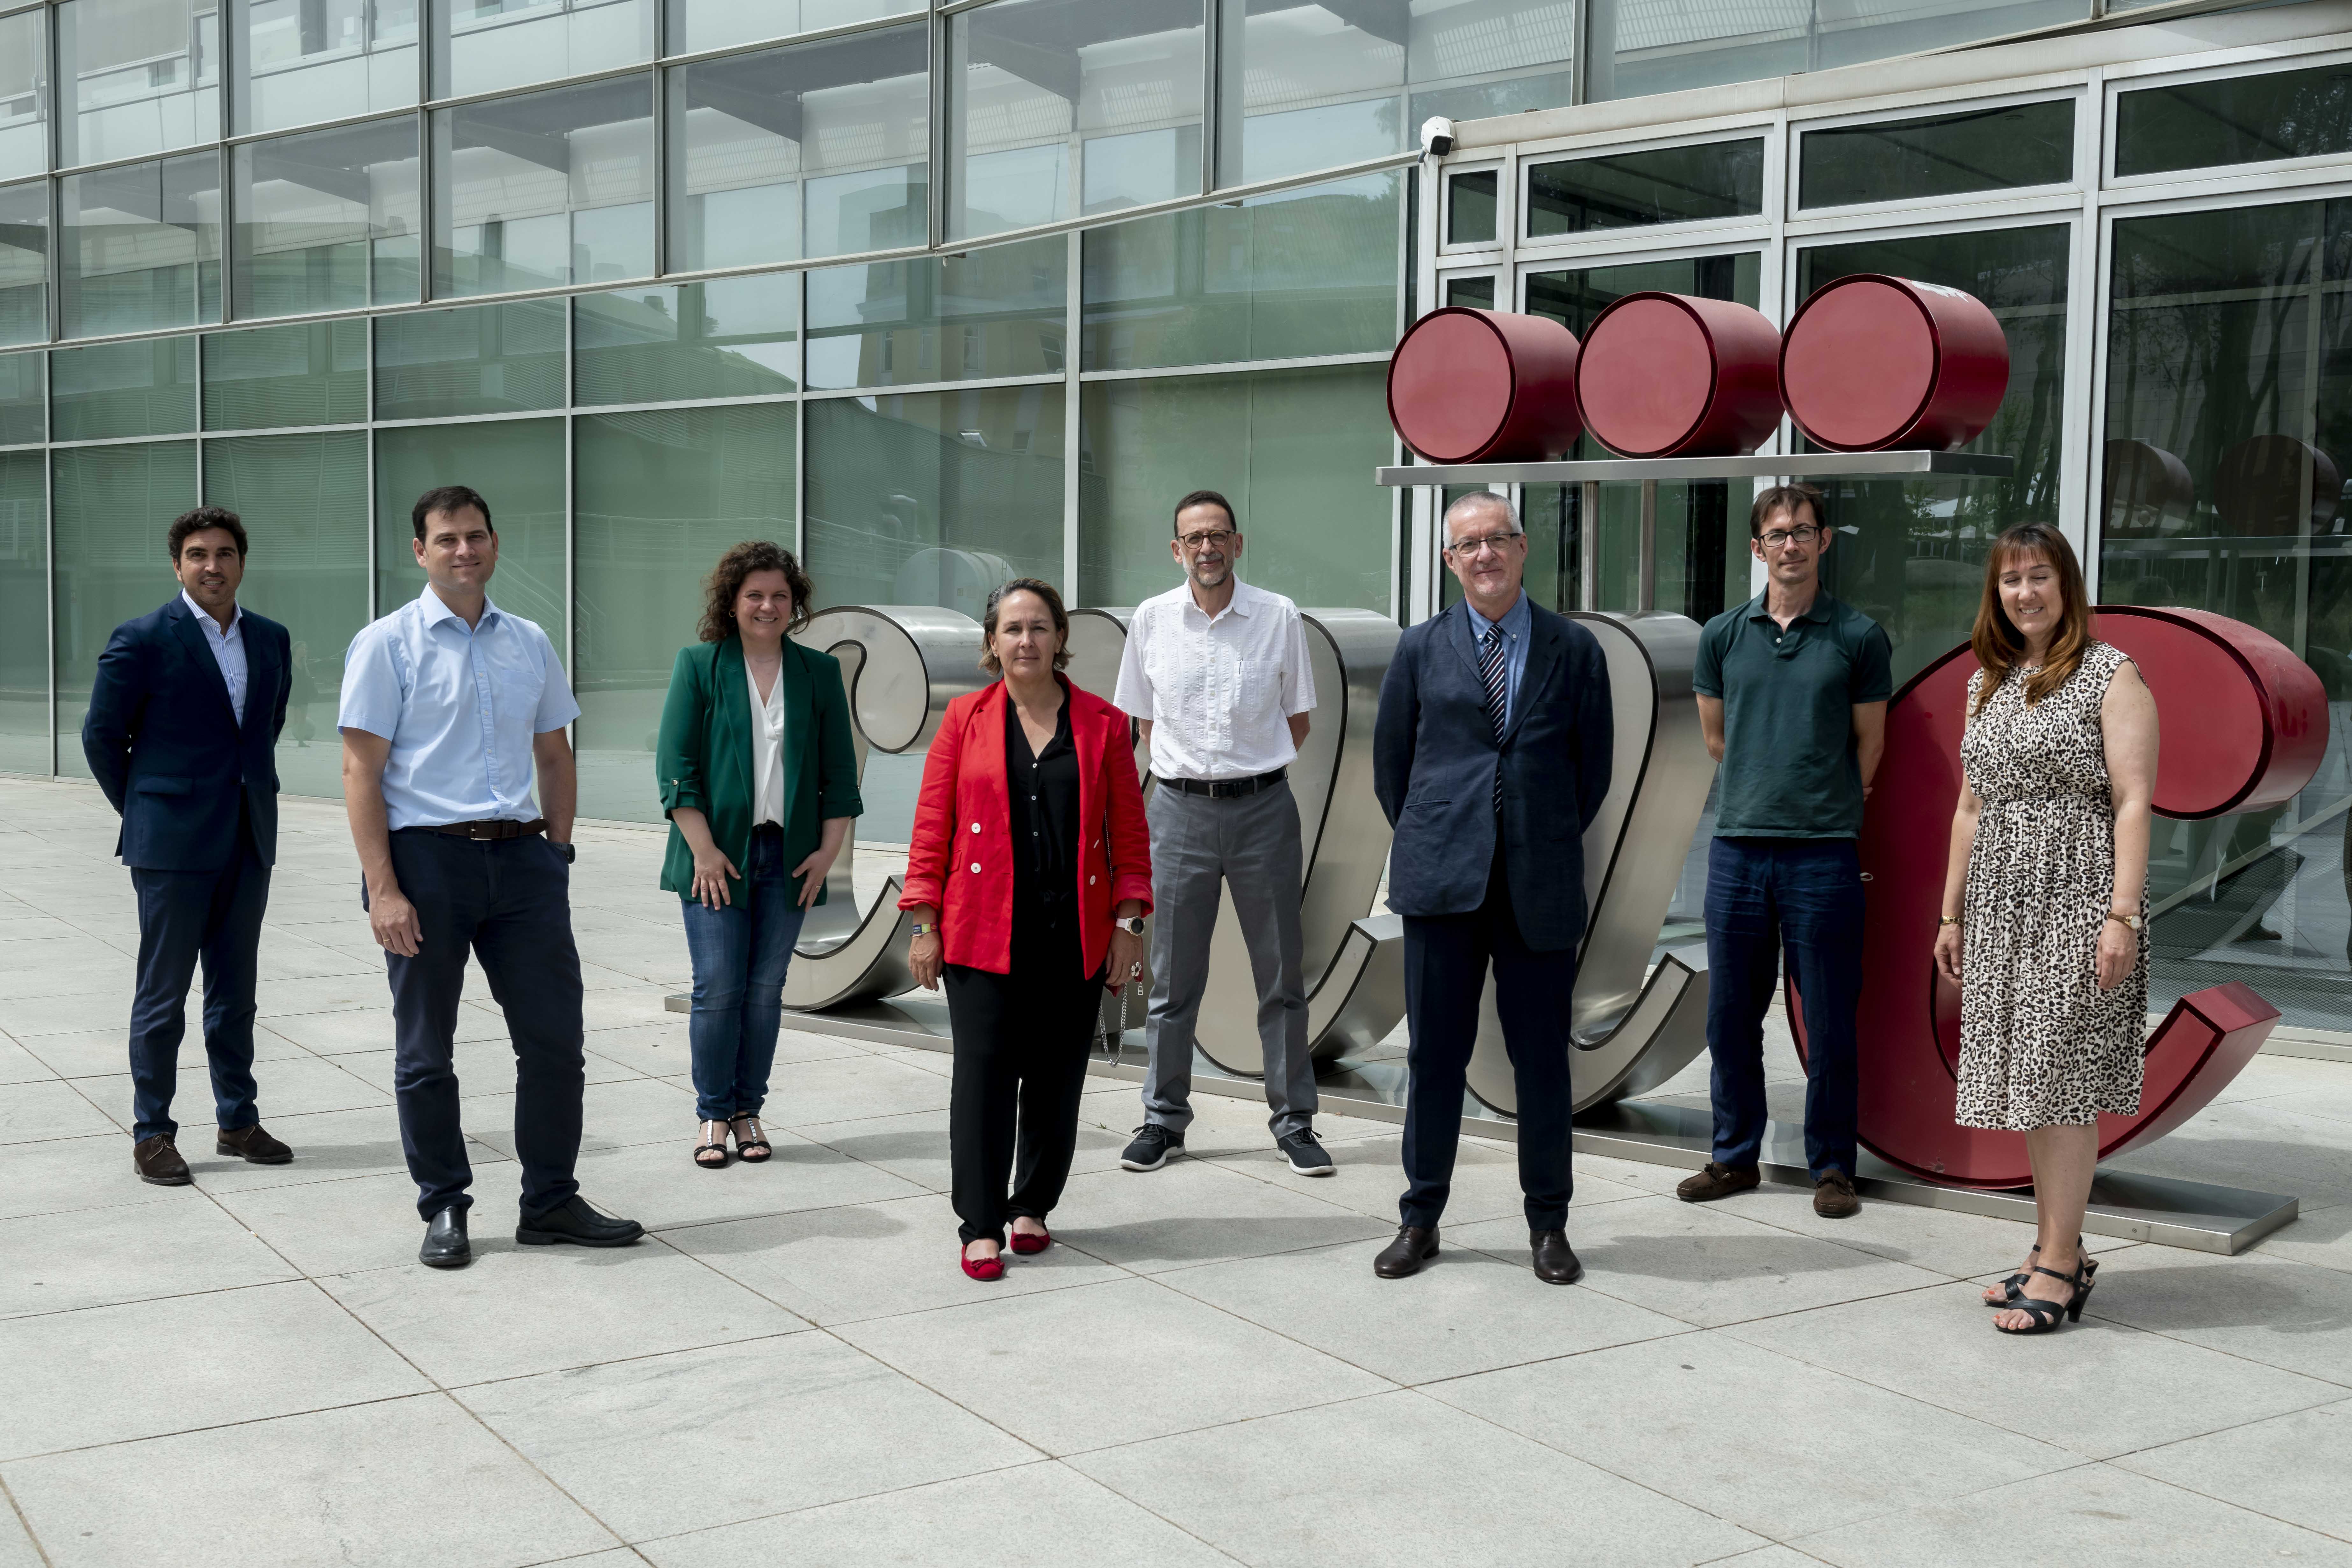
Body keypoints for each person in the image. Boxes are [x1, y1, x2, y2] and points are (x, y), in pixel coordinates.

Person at [338, 484, 642, 1269]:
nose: (463, 550)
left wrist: (559, 851)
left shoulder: (529, 641)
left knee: (555, 1043)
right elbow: (360, 771)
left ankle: (550, 1199)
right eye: (446, 539)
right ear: (420, 551)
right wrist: (383, 887)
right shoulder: (386, 644)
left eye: (476, 536)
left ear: (496, 544)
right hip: (426, 864)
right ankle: (444, 1204)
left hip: (523, 862)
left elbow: (554, 754)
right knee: (426, 1049)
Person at [1369, 492, 1612, 1284]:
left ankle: (1549, 1225)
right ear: (1450, 561)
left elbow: (1594, 769)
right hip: (1443, 881)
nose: (1484, 555)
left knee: (1541, 1059)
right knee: (1436, 1054)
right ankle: (1420, 1217)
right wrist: (1450, 831)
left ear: (1523, 546)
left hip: (1538, 882)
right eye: (1468, 544)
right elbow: (1393, 769)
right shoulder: (1418, 648)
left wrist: (1531, 832)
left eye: (1497, 539)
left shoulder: (1574, 648)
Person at [1934, 523, 2155, 1335]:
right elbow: (1969, 807)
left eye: (2038, 577)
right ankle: (2054, 1244)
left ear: (2067, 585)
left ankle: (2062, 1265)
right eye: (2009, 581)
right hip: (2001, 900)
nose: (2024, 593)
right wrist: (1952, 911)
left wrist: (2121, 914)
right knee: (2031, 1081)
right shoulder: (1986, 681)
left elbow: (2134, 798)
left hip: (2077, 895)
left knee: (2061, 1082)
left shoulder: (2111, 674)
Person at [901, 579, 1150, 1280]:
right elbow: (932, 828)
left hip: (1073, 933)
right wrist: (925, 921)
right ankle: (980, 1224)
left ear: (1060, 638)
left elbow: (1130, 836)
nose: (1026, 641)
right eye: (1013, 628)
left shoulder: (1103, 723)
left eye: (1039, 627)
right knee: (981, 1078)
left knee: (1054, 1081)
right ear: (993, 641)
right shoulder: (963, 719)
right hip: (982, 933)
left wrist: (1130, 922)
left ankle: (1032, 1206)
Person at [1677, 484, 1889, 1221]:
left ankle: (1833, 1166)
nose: (1791, 544)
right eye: (1777, 533)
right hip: (1737, 849)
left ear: (1824, 542)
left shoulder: (1859, 636)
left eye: (1804, 531)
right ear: (1756, 548)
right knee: (1730, 1016)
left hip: (1823, 856)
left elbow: (1870, 749)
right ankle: (1734, 1157)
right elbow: (1718, 739)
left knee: (1829, 1018)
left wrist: (1813, 803)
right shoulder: (1722, 635)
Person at [1111, 489, 1326, 1176]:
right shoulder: (1150, 620)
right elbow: (1143, 725)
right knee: (1173, 979)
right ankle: (1162, 1121)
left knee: (1281, 975)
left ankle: (1294, 1122)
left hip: (1264, 809)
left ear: (1239, 543)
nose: (1207, 547)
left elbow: (1299, 719)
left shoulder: (1278, 616)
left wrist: (1245, 772)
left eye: (1219, 535)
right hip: (1177, 812)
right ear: (1177, 550)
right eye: (1193, 538)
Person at [83, 506, 294, 1186]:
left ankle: (237, 1118)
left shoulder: (271, 639)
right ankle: (153, 1131)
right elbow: (101, 736)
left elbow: (265, 727)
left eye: (226, 553)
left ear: (242, 562)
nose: (213, 565)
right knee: (163, 990)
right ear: (177, 565)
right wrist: (147, 809)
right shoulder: (144, 638)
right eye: (198, 554)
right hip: (171, 843)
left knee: (236, 991)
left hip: (247, 834)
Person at [655, 541, 861, 1169]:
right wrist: (705, 853)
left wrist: (828, 851)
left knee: (766, 990)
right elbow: (675, 767)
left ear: (794, 601)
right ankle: (713, 1114)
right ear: (733, 602)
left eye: (779, 595)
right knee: (718, 987)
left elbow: (838, 771)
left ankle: (749, 1111)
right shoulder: (699, 665)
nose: (767, 605)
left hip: (790, 855)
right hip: (715, 852)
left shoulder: (817, 672)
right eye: (754, 595)